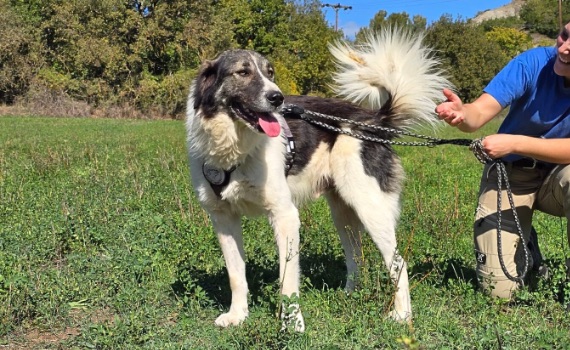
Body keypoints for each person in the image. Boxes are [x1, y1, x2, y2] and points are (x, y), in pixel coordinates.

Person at [435, 21, 570, 299]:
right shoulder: (533, 62)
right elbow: (479, 113)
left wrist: (515, 142)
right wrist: (463, 114)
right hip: (511, 175)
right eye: (564, 36)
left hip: (560, 176)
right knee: (499, 292)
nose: (564, 48)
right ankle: (526, 247)